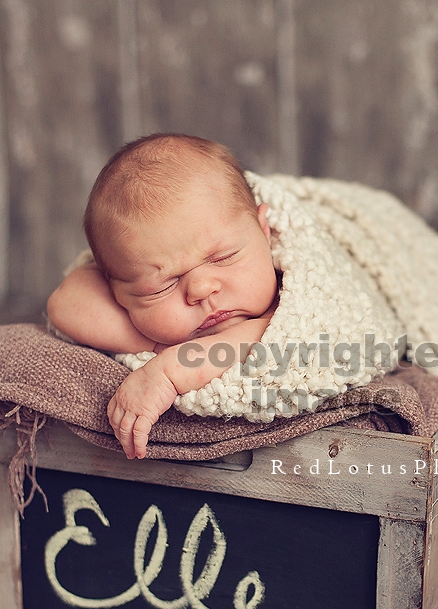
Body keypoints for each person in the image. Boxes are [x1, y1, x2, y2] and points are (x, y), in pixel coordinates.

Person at [47, 133, 281, 461]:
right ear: (115, 293)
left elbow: (274, 336)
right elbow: (64, 303)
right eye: (162, 287)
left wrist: (170, 369)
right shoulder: (131, 263)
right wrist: (156, 344)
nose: (201, 290)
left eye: (223, 257)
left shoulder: (295, 290)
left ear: (264, 230)